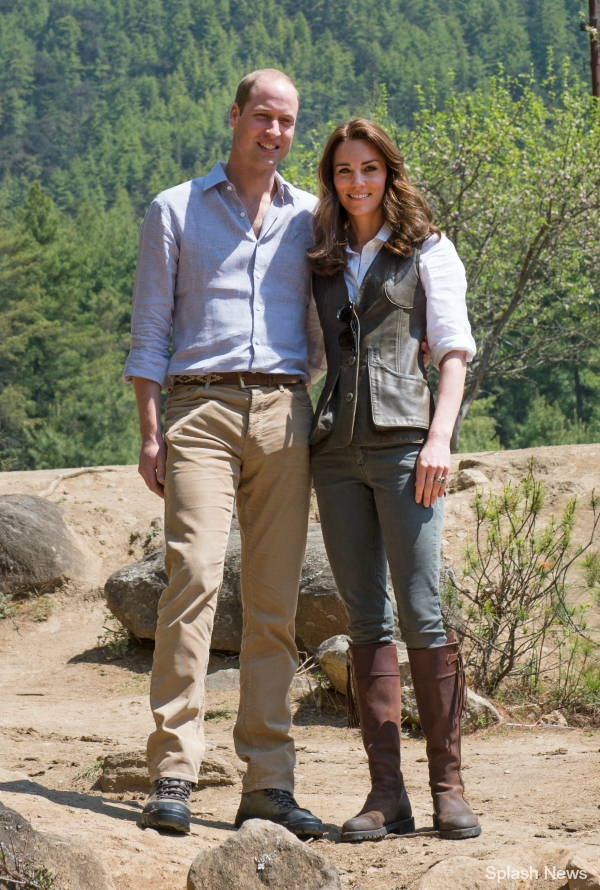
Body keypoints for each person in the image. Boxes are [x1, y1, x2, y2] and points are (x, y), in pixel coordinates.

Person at [123, 68, 326, 837]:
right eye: (263, 117)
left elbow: (321, 325)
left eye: (287, 122)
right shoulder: (174, 209)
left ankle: (268, 785)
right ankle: (173, 771)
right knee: (195, 577)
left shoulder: (311, 217)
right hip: (198, 408)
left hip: (283, 410)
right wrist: (150, 428)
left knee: (275, 604)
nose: (274, 133)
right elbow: (149, 330)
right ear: (235, 116)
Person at [307, 119, 481, 843]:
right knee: (365, 621)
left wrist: (440, 438)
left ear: (389, 173)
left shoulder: (428, 251)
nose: (357, 184)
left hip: (409, 445)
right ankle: (387, 796)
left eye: (369, 169)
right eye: (344, 172)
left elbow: (452, 350)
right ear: (332, 180)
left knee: (421, 611)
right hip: (333, 455)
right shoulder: (319, 256)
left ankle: (449, 787)